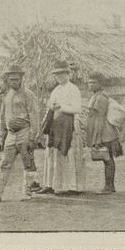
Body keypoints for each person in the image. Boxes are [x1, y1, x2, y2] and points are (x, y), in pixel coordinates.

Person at [0, 64, 39, 204]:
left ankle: (28, 192)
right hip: (11, 135)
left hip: (25, 131)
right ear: (8, 80)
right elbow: (2, 118)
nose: (14, 82)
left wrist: (32, 137)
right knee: (4, 164)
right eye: (11, 79)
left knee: (28, 163)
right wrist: (1, 137)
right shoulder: (7, 96)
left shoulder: (29, 95)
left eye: (16, 79)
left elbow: (35, 116)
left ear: (21, 79)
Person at [37, 61, 84, 196]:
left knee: (68, 153)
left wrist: (61, 107)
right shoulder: (56, 90)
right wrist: (51, 109)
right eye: (57, 74)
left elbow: (77, 108)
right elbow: (49, 108)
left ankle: (72, 186)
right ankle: (50, 184)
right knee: (52, 154)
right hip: (55, 126)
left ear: (68, 74)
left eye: (62, 73)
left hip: (69, 125)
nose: (59, 76)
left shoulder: (73, 89)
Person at [86, 73, 123, 194]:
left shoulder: (101, 97)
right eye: (89, 82)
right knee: (107, 159)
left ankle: (109, 186)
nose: (90, 85)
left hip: (105, 132)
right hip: (103, 131)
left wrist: (97, 138)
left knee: (107, 159)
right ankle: (109, 186)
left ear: (100, 84)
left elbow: (100, 118)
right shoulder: (96, 95)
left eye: (93, 83)